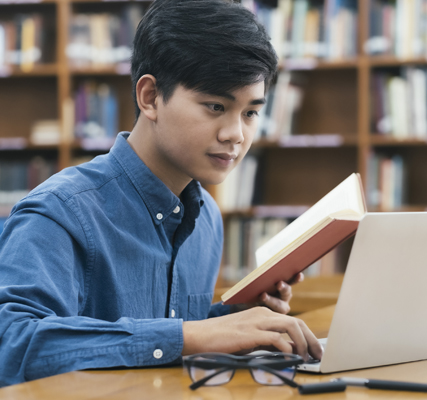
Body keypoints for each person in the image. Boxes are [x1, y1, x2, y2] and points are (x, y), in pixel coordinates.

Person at [0, 0, 322, 386]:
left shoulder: (206, 220)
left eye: (250, 113)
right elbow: (12, 346)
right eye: (216, 106)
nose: (236, 134)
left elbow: (166, 340)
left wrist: (229, 318)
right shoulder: (60, 213)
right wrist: (192, 336)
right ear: (150, 97)